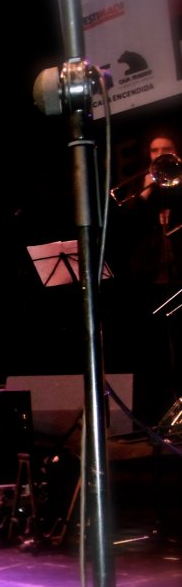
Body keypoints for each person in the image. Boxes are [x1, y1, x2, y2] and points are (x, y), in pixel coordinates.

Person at [112, 129, 182, 425]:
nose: (160, 155)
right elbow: (126, 229)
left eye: (166, 149)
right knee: (152, 354)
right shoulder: (142, 190)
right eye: (155, 151)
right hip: (149, 282)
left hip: (178, 279)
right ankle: (153, 418)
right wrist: (144, 193)